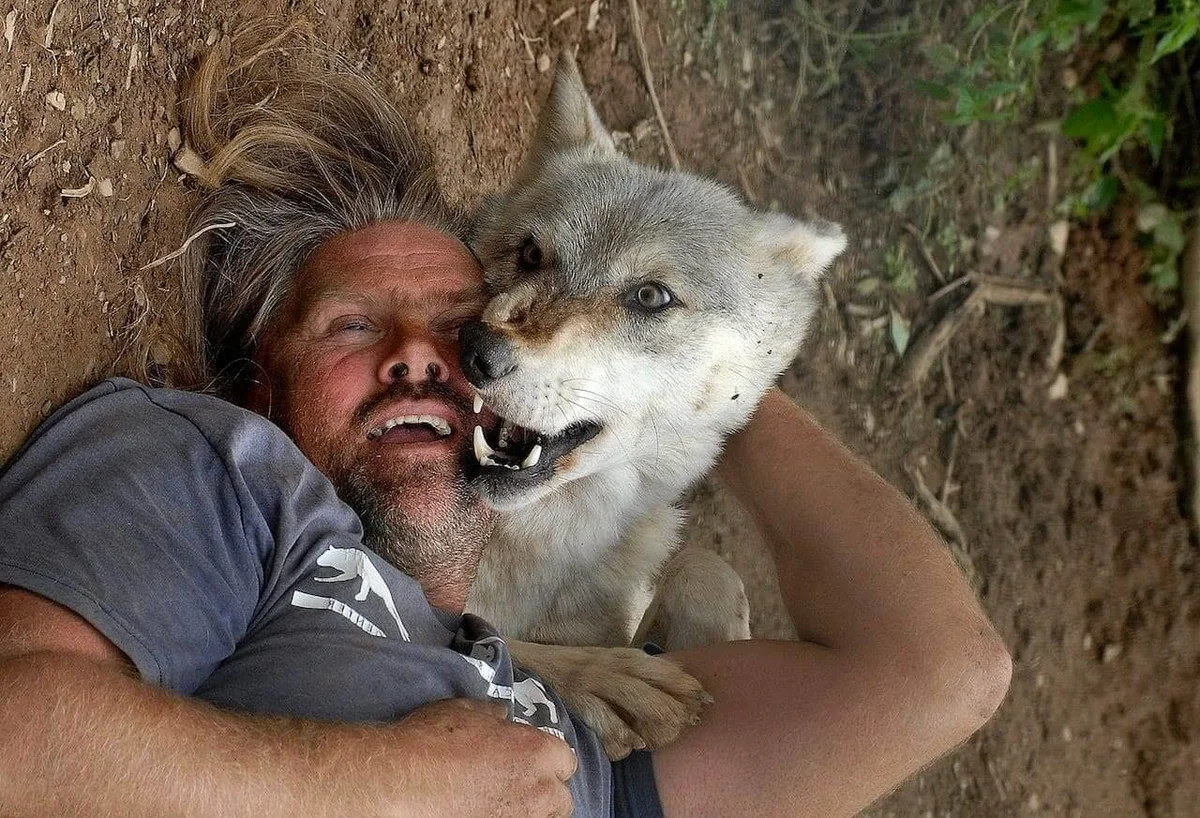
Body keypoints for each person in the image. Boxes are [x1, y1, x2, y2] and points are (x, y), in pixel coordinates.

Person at [0, 25, 1011, 818]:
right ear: (257, 386)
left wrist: (721, 350)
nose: (433, 356)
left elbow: (940, 668)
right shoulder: (222, 473)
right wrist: (383, 786)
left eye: (458, 331)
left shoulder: (541, 684)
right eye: (352, 325)